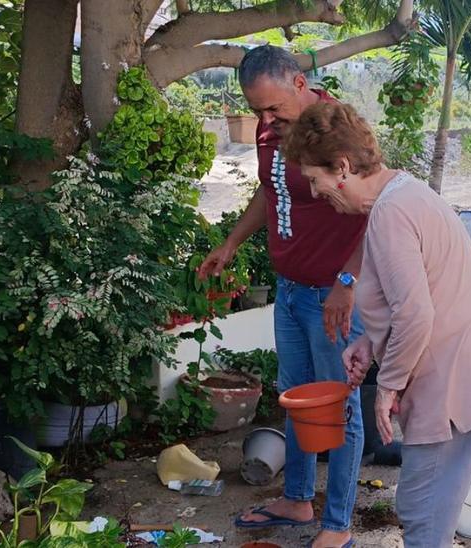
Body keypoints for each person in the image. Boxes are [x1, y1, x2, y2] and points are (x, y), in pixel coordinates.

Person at [282, 102, 471, 548]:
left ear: (342, 167)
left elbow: (418, 315)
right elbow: (419, 295)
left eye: (316, 181)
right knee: (430, 511)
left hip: (458, 378)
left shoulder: (392, 214)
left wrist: (390, 386)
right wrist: (370, 344)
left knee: (422, 514)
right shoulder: (403, 193)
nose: (317, 193)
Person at [198, 45, 365, 548]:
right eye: (256, 112)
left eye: (273, 108)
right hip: (290, 292)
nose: (266, 121)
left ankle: (337, 525)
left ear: (299, 83)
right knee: (294, 398)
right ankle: (296, 499)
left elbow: (376, 213)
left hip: (332, 296)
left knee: (340, 407)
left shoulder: (340, 132)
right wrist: (232, 241)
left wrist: (347, 284)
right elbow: (271, 192)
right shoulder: (272, 133)